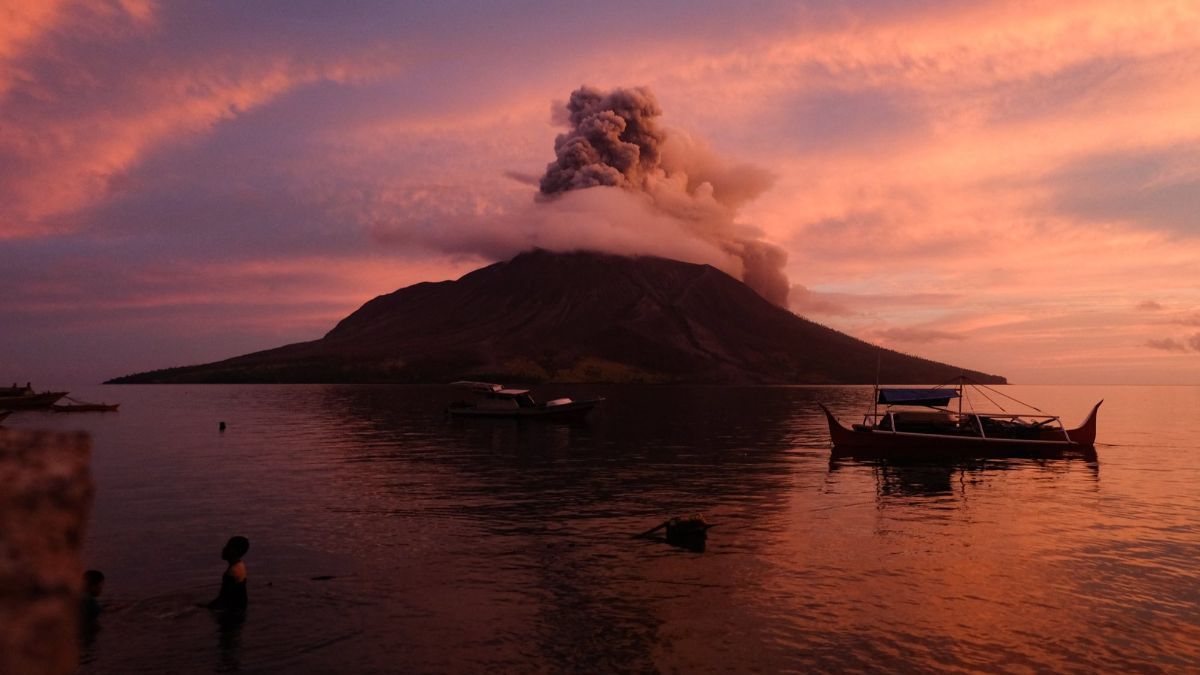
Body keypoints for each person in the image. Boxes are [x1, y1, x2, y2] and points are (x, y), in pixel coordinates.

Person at [206, 536, 249, 611]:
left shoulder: (231, 573)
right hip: (241, 607)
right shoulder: (240, 565)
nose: (224, 549)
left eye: (227, 547)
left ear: (235, 551)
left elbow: (224, 598)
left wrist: (206, 607)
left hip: (233, 611)